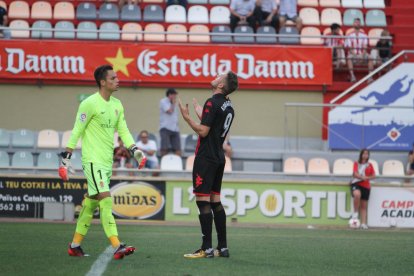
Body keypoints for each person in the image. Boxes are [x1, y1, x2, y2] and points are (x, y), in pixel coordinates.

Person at [58, 65, 147, 259]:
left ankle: (74, 246)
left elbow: (123, 130)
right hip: (92, 161)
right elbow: (77, 131)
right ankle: (117, 245)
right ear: (103, 82)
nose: (118, 80)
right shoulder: (89, 103)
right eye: (113, 78)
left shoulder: (117, 104)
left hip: (107, 163)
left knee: (90, 204)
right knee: (106, 200)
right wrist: (65, 160)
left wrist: (135, 150)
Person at [178, 71, 239, 258]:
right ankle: (223, 248)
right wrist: (201, 113)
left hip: (205, 158)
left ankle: (206, 249)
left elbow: (204, 132)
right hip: (219, 157)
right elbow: (213, 124)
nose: (216, 76)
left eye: (219, 76)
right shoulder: (228, 105)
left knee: (202, 201)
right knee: (215, 201)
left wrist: (187, 117)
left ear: (221, 85)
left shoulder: (212, 102)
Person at [350, 149, 376, 230]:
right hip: (356, 183)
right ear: (361, 155)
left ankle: (363, 223)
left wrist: (367, 178)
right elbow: (355, 174)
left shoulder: (370, 165)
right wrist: (362, 177)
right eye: (364, 153)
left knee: (364, 206)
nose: (365, 155)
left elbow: (374, 175)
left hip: (366, 186)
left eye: (367, 154)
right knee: (357, 194)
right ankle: (355, 213)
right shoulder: (356, 163)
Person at [345, 18, 373, 83]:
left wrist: (362, 55)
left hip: (362, 54)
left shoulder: (364, 35)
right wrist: (356, 56)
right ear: (353, 24)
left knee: (370, 57)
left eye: (358, 22)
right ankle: (352, 76)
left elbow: (365, 47)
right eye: (355, 22)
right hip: (353, 54)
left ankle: (370, 77)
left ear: (360, 24)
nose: (357, 23)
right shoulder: (349, 35)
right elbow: (350, 48)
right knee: (349, 57)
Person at [159, 88, 181, 157]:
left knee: (178, 148)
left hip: (175, 129)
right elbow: (169, 111)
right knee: (164, 148)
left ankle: (178, 164)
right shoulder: (163, 101)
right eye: (174, 95)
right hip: (165, 128)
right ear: (170, 95)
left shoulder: (174, 103)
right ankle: (163, 163)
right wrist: (173, 103)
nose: (175, 97)